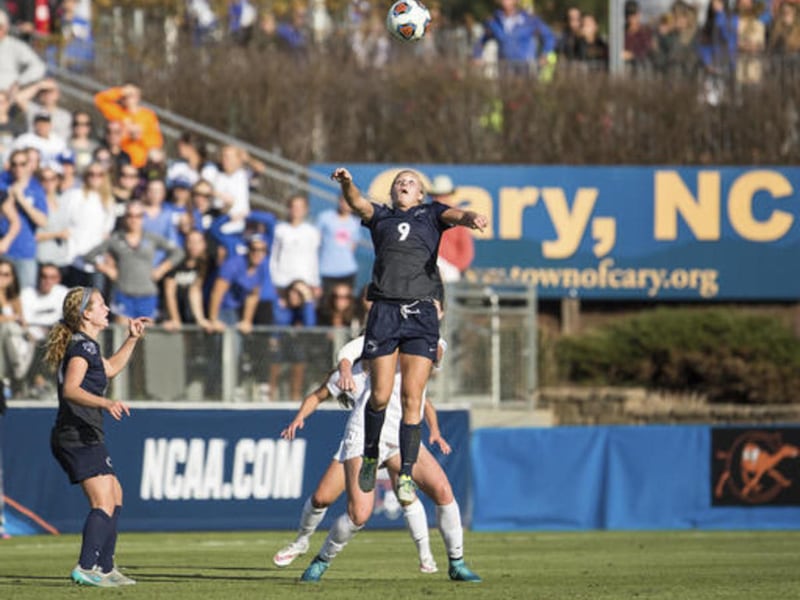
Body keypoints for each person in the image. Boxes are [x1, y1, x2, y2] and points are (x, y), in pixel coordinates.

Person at [330, 167, 487, 506]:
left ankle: (405, 474)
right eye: (399, 181)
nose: (404, 184)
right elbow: (357, 202)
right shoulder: (381, 216)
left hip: (421, 313)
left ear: (421, 194)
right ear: (393, 192)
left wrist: (472, 217)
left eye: (411, 182)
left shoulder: (432, 213)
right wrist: (346, 183)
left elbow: (457, 214)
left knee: (412, 397)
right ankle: (370, 455)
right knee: (381, 396)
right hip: (385, 310)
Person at [295, 334, 481, 583]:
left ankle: (456, 563)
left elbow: (437, 353)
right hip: (365, 433)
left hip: (401, 434)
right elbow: (347, 353)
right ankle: (321, 560)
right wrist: (346, 369)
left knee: (442, 490)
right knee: (359, 514)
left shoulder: (427, 335)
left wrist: (422, 341)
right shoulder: (384, 329)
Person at [45, 286, 150, 587]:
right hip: (75, 434)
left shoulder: (88, 346)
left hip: (85, 432)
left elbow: (110, 368)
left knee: (114, 494)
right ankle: (86, 567)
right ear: (86, 313)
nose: (106, 309)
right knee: (103, 500)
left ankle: (105, 567)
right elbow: (71, 390)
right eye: (101, 305)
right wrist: (106, 402)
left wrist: (132, 339)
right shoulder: (82, 347)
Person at [83, 199, 184, 325]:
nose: (134, 219)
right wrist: (106, 268)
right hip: (124, 292)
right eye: (130, 215)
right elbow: (89, 256)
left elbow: (178, 253)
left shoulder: (151, 238)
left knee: (146, 337)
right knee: (122, 336)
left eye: (138, 216)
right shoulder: (116, 239)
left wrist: (162, 268)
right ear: (125, 218)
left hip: (147, 293)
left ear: (143, 218)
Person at [472, 0, 557, 77]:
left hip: (526, 68)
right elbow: (481, 41)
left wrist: (545, 54)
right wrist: (477, 55)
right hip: (504, 69)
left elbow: (549, 36)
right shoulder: (495, 22)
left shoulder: (529, 20)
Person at [93, 84, 163, 169]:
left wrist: (140, 136)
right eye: (125, 96)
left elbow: (156, 142)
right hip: (123, 160)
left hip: (143, 161)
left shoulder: (148, 115)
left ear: (138, 97)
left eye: (131, 96)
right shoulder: (118, 113)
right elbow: (99, 100)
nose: (128, 99)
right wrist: (120, 91)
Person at [427, 175, 475, 283]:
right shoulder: (424, 215)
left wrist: (454, 267)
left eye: (442, 195)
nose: (438, 199)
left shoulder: (460, 217)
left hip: (449, 270)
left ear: (449, 195)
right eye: (435, 195)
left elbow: (466, 250)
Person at [0, 9, 46, 93]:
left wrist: (19, 82)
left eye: (0, 27)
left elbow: (38, 67)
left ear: (5, 28)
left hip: (6, 94)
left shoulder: (16, 46)